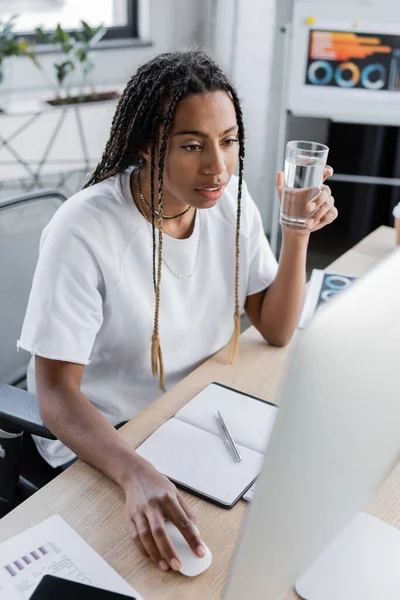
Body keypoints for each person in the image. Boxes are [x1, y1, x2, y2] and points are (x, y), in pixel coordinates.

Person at [18, 50, 337, 573]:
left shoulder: (227, 199)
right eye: (192, 145)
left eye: (229, 141)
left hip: (195, 416)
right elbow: (54, 394)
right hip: (111, 439)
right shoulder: (83, 230)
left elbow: (276, 329)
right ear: (147, 144)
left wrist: (296, 232)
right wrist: (134, 472)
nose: (217, 166)